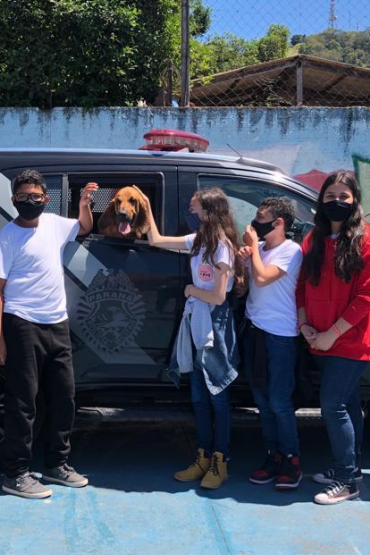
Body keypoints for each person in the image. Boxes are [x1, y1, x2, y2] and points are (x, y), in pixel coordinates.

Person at [0, 169, 98, 499]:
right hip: (22, 324)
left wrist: (84, 204)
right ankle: (16, 473)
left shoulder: (53, 223)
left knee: (64, 397)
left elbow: (84, 226)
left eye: (36, 197)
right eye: (23, 197)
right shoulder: (8, 236)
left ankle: (56, 464)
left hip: (57, 323)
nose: (30, 202)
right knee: (23, 403)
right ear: (14, 200)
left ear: (45, 199)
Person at [296, 171, 370, 505]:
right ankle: (351, 467)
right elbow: (302, 284)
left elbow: (368, 296)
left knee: (332, 406)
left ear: (355, 200)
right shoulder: (314, 239)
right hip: (318, 337)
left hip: (350, 341)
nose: (336, 202)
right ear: (321, 200)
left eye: (343, 197)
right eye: (330, 196)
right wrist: (305, 325)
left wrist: (331, 335)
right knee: (348, 404)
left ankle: (346, 479)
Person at [143, 187, 242, 490]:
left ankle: (219, 460)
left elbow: (219, 294)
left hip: (214, 322)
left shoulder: (222, 247)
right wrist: (147, 207)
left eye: (195, 208)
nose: (191, 213)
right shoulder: (198, 241)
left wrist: (191, 291)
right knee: (199, 397)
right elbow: (157, 240)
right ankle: (202, 456)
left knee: (218, 396)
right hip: (197, 320)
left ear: (209, 211)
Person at [236, 197, 304, 490]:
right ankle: (272, 454)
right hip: (255, 331)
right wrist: (243, 261)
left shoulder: (291, 251)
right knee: (262, 401)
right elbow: (245, 287)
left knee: (279, 401)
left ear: (279, 223)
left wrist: (252, 253)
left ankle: (292, 459)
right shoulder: (260, 249)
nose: (255, 222)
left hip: (280, 337)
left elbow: (263, 278)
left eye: (261, 217)